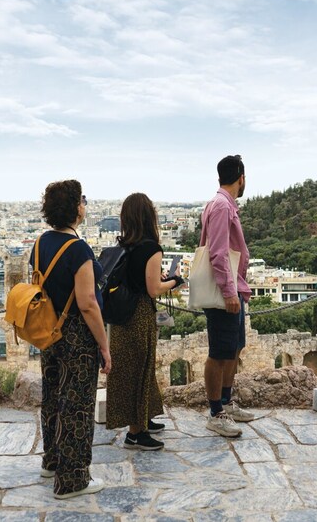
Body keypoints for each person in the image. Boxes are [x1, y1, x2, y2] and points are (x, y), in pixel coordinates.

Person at [35, 180, 111, 499]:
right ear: (74, 207)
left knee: (53, 395)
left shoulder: (40, 244)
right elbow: (87, 302)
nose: (85, 204)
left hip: (49, 331)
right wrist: (104, 345)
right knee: (77, 404)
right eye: (82, 199)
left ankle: (52, 460)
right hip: (77, 338)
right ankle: (72, 478)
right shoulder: (77, 248)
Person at [106, 193, 184, 450]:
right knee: (141, 370)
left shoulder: (124, 245)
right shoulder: (151, 248)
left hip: (120, 318)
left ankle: (144, 419)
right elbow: (152, 290)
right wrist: (175, 281)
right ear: (149, 216)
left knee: (133, 370)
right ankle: (135, 433)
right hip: (139, 315)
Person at [200, 154, 254, 437]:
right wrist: (229, 291)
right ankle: (215, 412)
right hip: (225, 292)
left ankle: (226, 401)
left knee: (234, 348)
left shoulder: (223, 204)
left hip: (234, 289)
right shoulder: (221, 206)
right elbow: (218, 252)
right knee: (219, 353)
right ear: (241, 178)